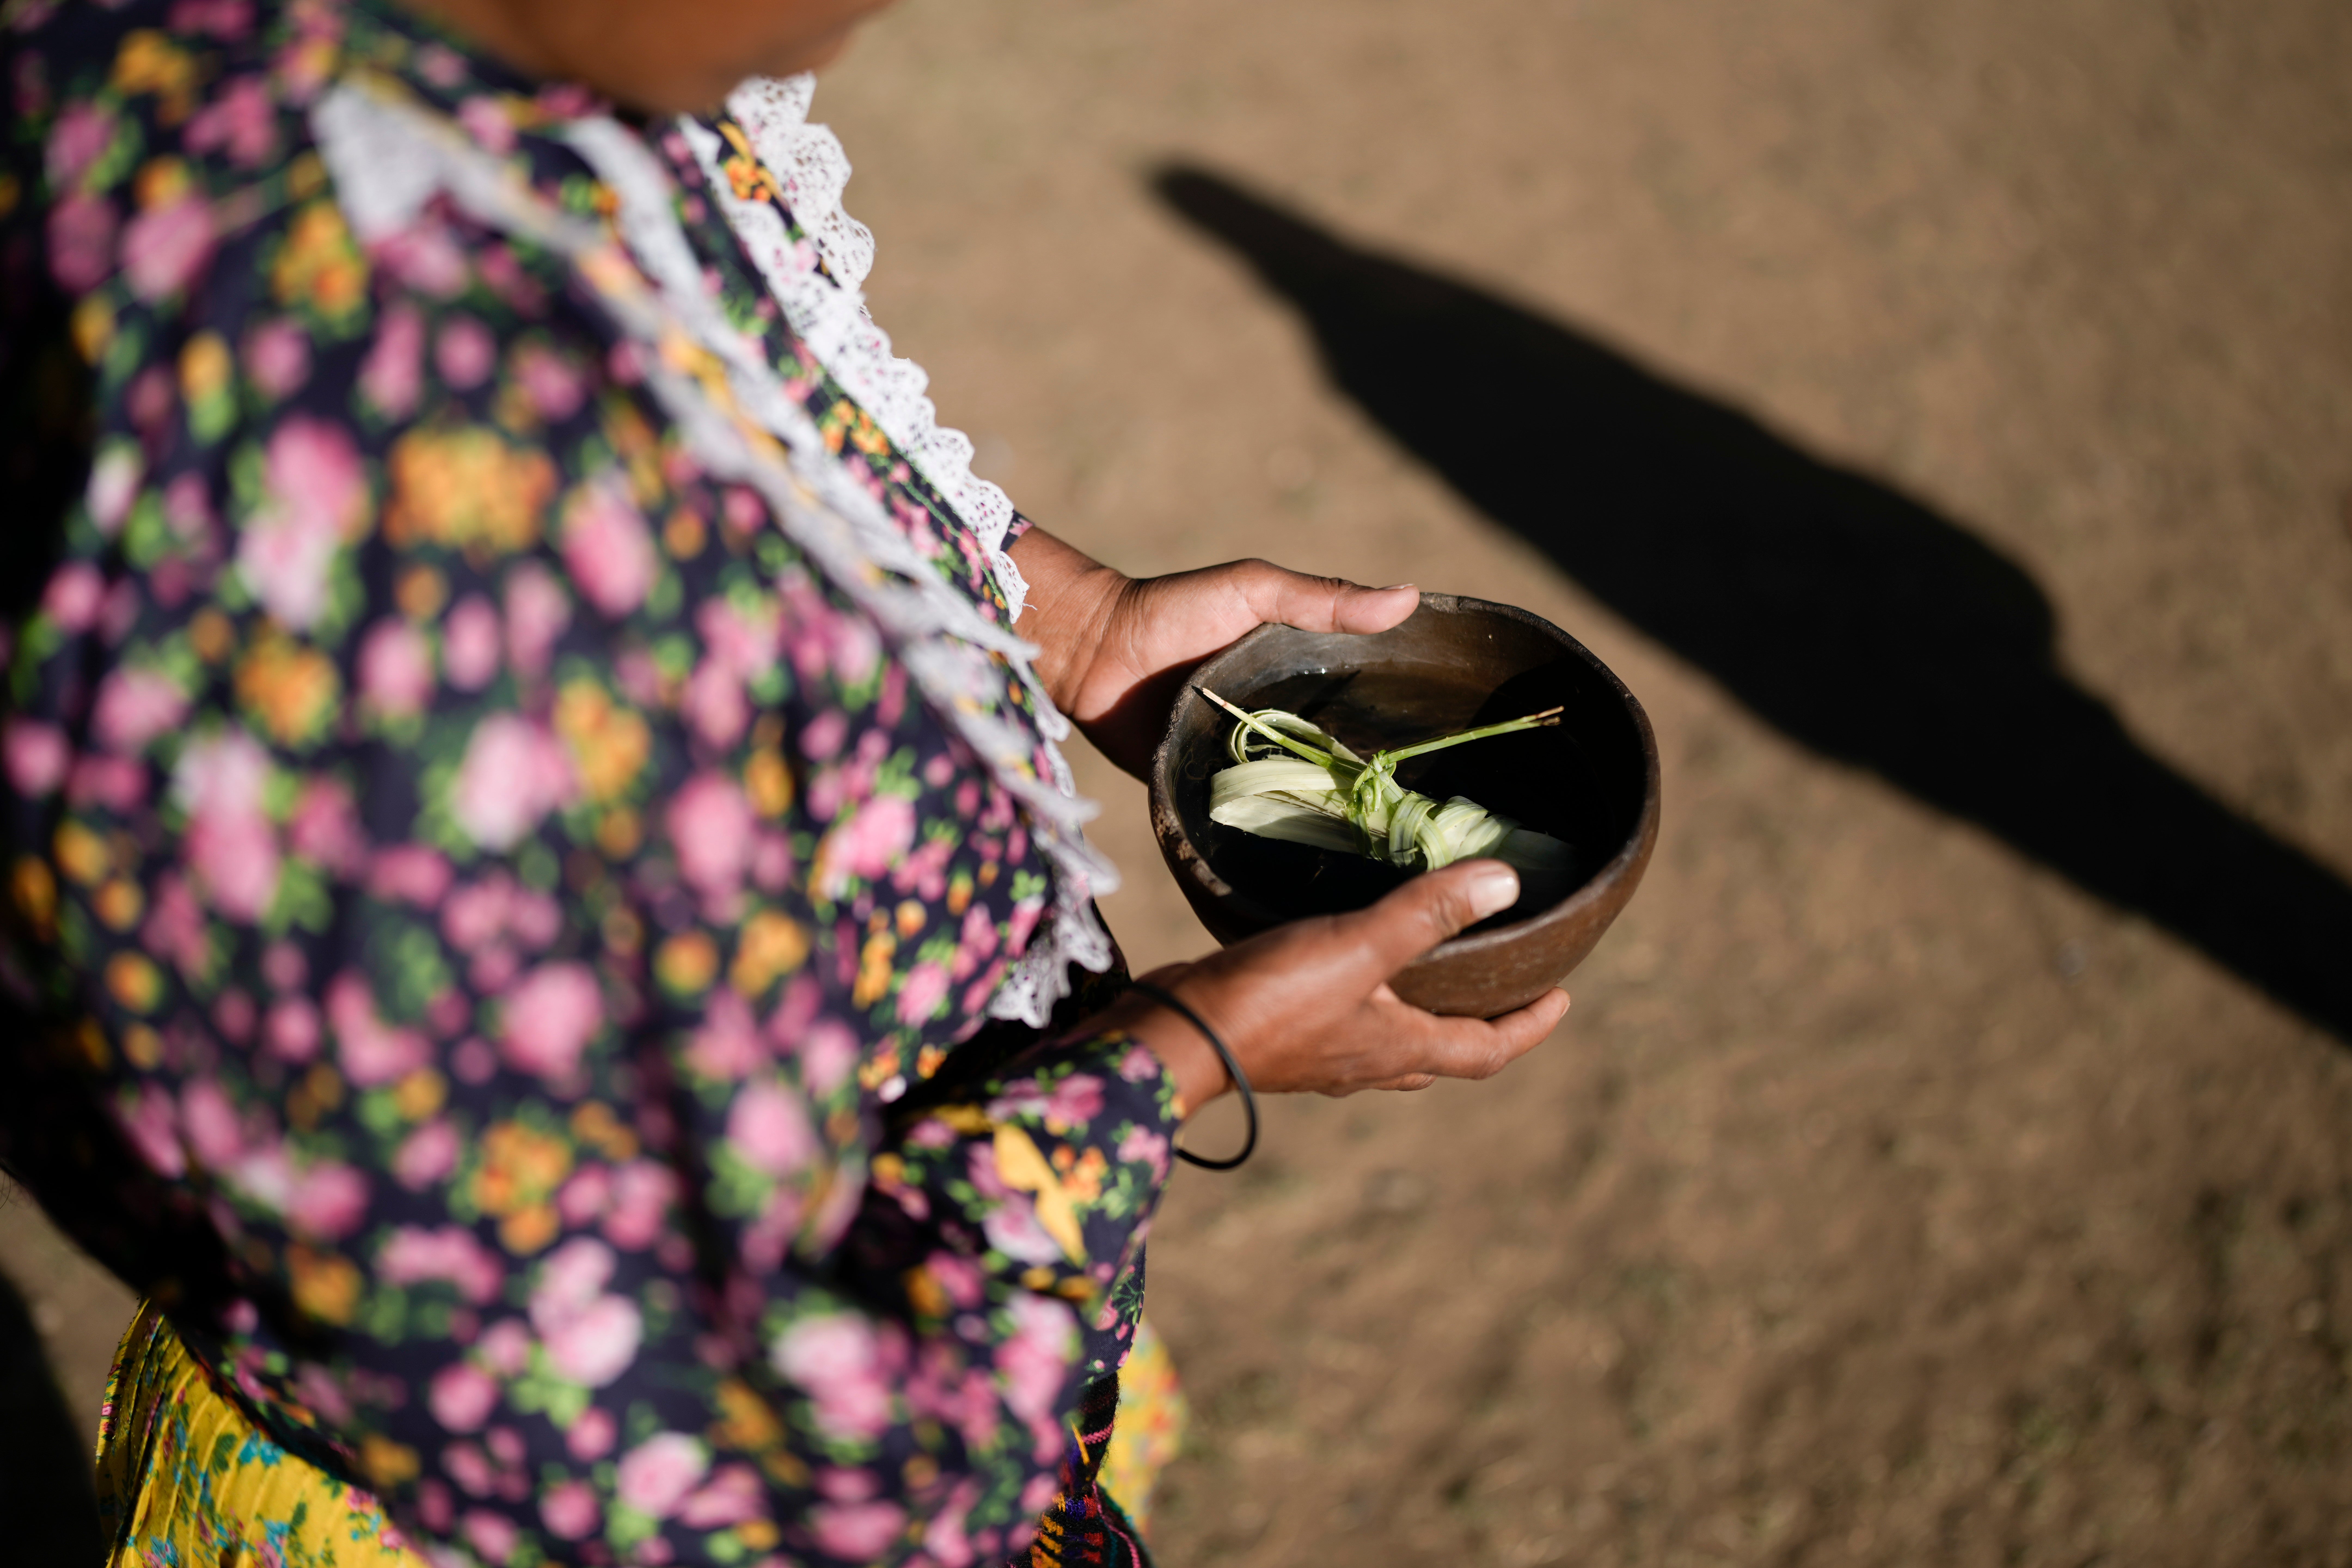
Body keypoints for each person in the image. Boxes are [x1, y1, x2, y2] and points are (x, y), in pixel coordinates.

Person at [0, 0, 1572, 1563]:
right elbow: (657, 1431)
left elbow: (726, 427)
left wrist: (1073, 622)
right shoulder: (345, 453)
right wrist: (1177, 1062)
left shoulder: (360, 73)